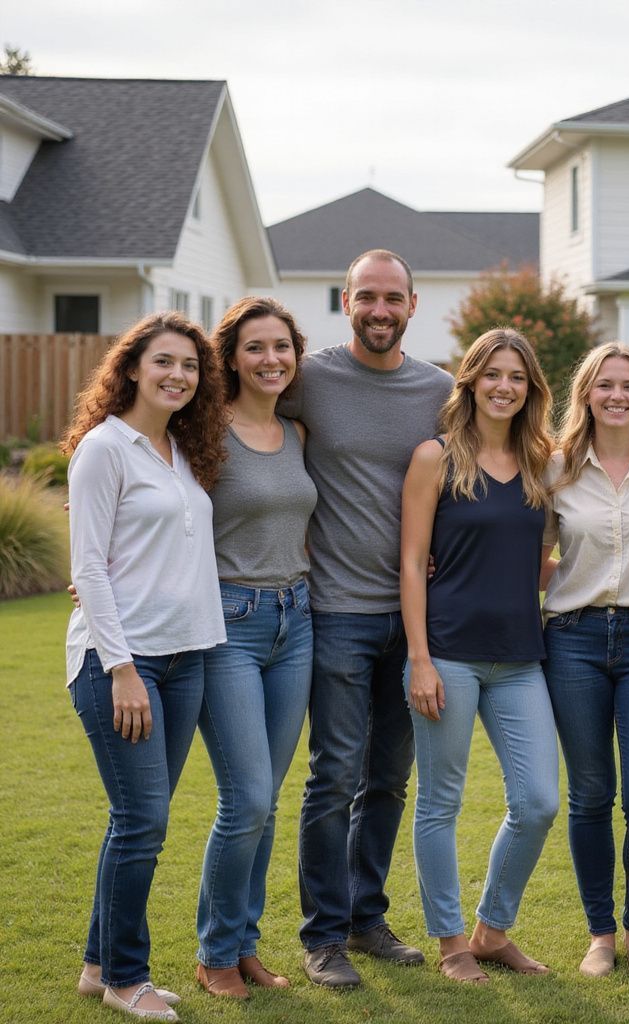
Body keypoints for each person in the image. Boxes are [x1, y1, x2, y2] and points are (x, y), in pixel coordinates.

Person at [279, 249, 453, 988]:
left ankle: (365, 914)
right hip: (337, 611)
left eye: (393, 298)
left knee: (388, 777)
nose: (379, 310)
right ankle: (322, 936)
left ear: (414, 305)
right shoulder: (309, 379)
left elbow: (482, 471)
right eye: (366, 297)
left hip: (416, 621)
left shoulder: (443, 390)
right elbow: (221, 428)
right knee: (334, 775)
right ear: (345, 302)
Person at [65, 313, 226, 1022]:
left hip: (186, 659)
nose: (178, 376)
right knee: (144, 821)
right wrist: (121, 667)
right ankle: (128, 978)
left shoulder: (181, 451)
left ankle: (99, 964)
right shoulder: (106, 448)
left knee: (134, 820)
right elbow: (89, 569)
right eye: (164, 362)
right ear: (131, 368)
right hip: (121, 666)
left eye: (190, 366)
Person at [399, 328, 559, 983]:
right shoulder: (435, 458)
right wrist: (419, 658)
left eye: (517, 377)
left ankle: (492, 931)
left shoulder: (541, 463)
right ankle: (451, 943)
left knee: (540, 801)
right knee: (441, 801)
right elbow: (410, 562)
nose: (504, 387)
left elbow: (544, 559)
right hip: (449, 655)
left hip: (522, 657)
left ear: (531, 389)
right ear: (470, 381)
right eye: (492, 374)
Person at [542, 342, 629, 979]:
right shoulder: (557, 466)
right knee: (591, 794)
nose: (617, 396)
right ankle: (601, 934)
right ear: (586, 395)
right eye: (605, 385)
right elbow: (532, 553)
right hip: (571, 638)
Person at [193, 298, 318, 997]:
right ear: (231, 358)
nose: (271, 358)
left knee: (267, 797)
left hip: (295, 620)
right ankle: (214, 953)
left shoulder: (298, 432)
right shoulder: (204, 433)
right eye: (255, 347)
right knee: (244, 799)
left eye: (281, 346)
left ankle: (244, 946)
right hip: (229, 624)